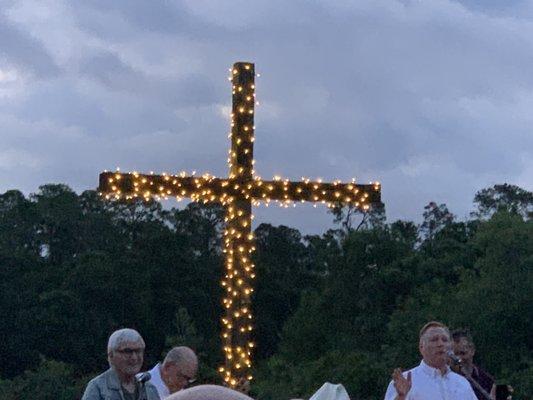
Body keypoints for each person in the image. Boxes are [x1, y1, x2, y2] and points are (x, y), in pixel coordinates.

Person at [384, 321, 477, 400]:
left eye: (444, 340)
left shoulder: (462, 383)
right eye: (434, 340)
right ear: (421, 347)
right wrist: (401, 396)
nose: (440, 344)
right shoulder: (404, 381)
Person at [82, 328, 160, 400]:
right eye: (127, 351)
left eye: (138, 351)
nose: (134, 357)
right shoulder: (98, 387)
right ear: (111, 355)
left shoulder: (149, 389)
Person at [451, 329, 495, 400]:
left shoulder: (487, 381)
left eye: (463, 353)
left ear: (472, 351)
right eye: (455, 355)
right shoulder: (442, 381)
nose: (459, 359)